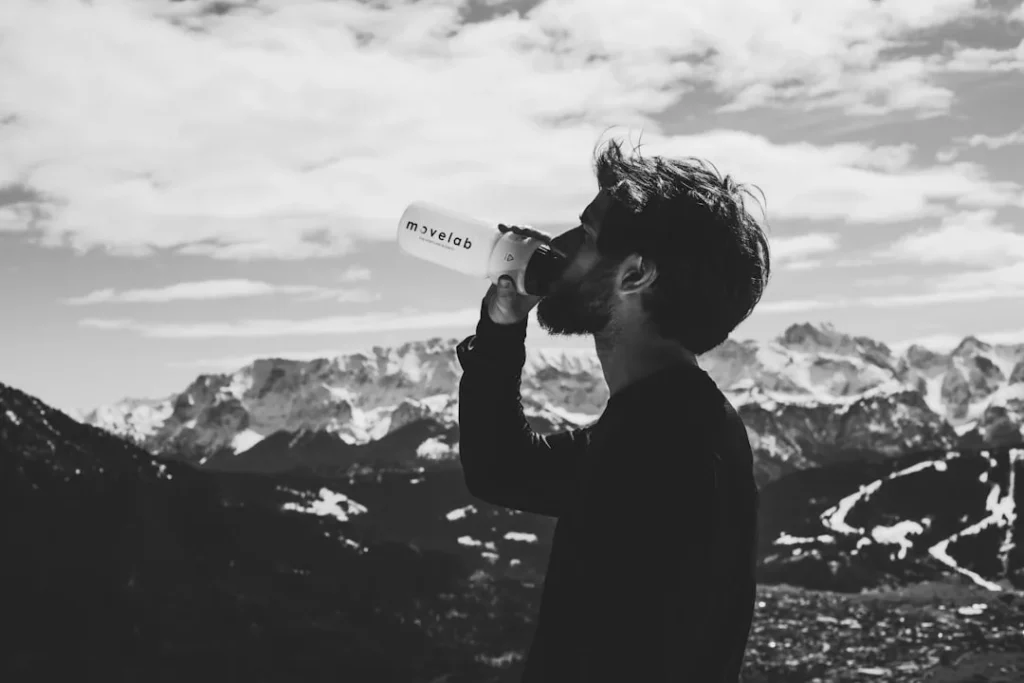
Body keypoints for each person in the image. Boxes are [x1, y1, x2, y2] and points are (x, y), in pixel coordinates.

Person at [456, 138, 770, 682]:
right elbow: (502, 469)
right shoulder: (672, 420)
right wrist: (503, 329)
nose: (558, 245)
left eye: (587, 234)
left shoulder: (662, 445)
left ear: (635, 275)